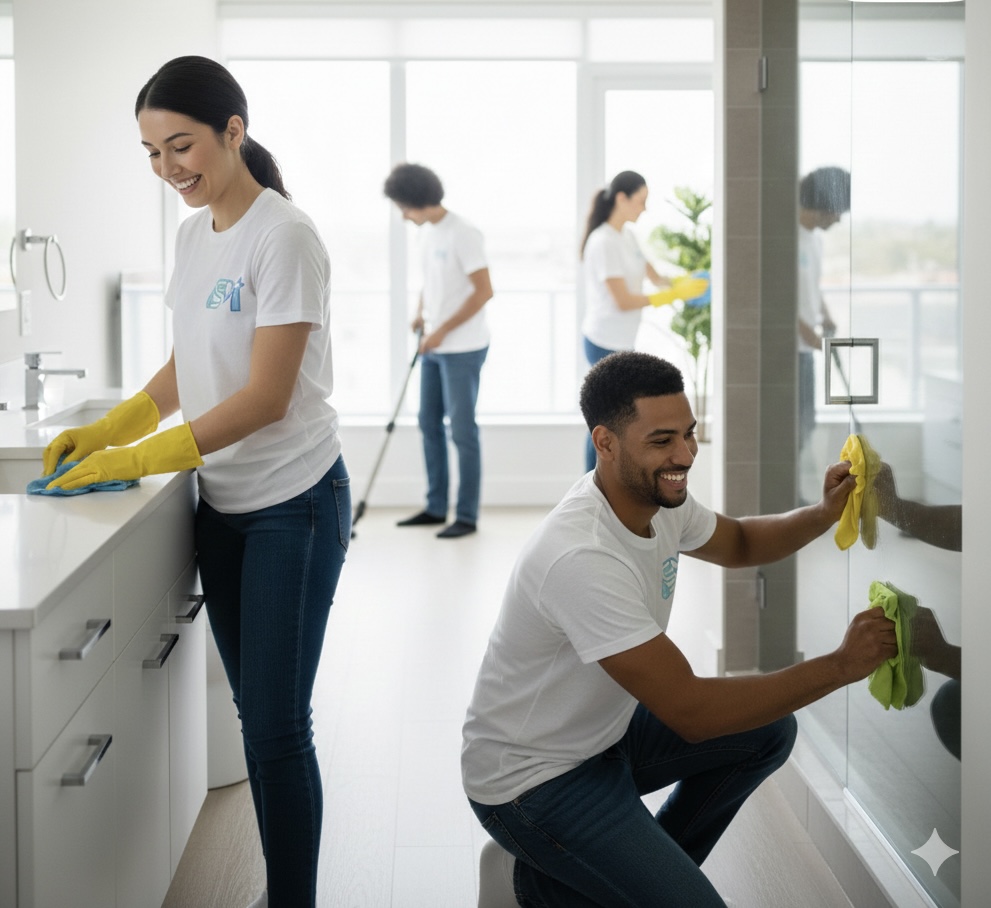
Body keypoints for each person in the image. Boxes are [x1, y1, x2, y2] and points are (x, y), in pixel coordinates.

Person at [42, 56, 348, 908]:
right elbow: (191, 361)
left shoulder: (285, 236)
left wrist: (142, 458)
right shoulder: (192, 233)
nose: (168, 168)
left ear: (232, 132)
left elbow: (265, 395)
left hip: (296, 502)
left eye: (181, 145)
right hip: (224, 508)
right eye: (150, 151)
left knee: (279, 730)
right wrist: (115, 426)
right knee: (258, 719)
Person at [462, 351, 896, 907]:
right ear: (605, 442)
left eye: (689, 434)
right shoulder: (582, 556)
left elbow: (740, 541)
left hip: (603, 739)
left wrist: (822, 512)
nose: (685, 455)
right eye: (663, 440)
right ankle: (527, 885)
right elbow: (691, 712)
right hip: (532, 783)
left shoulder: (656, 501)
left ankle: (616, 877)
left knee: (767, 732)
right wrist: (840, 666)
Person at [383, 162, 494, 539]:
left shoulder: (463, 233)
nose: (402, 215)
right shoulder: (426, 235)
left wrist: (443, 331)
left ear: (417, 200)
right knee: (428, 423)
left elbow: (484, 291)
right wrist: (420, 315)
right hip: (433, 345)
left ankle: (465, 516)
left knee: (462, 431)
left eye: (403, 207)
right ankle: (435, 507)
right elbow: (431, 284)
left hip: (462, 348)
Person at [580, 171, 708, 472]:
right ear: (621, 199)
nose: (645, 208)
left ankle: (603, 483)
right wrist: (670, 296)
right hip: (603, 341)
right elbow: (622, 300)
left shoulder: (628, 236)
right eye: (641, 201)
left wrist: (685, 284)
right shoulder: (603, 242)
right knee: (605, 420)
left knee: (612, 418)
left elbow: (655, 277)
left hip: (622, 340)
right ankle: (592, 484)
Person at [798, 166, 851, 457]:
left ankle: (798, 495)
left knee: (807, 424)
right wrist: (810, 336)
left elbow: (811, 288)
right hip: (790, 351)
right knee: (795, 426)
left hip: (804, 350)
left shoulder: (815, 240)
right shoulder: (787, 239)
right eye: (838, 210)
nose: (840, 218)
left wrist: (825, 314)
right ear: (822, 206)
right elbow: (779, 297)